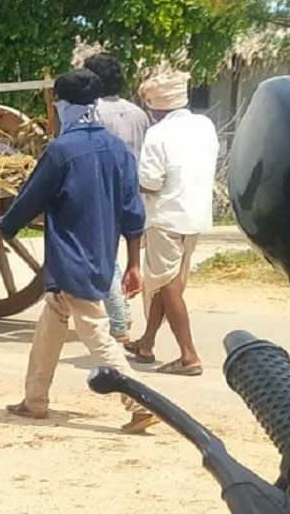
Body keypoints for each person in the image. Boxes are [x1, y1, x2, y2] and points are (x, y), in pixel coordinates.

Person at [0, 68, 158, 434]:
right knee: (52, 321)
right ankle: (34, 400)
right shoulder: (117, 150)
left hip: (73, 254)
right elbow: (134, 211)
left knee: (97, 333)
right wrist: (134, 263)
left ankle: (138, 404)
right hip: (101, 254)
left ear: (64, 105)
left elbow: (29, 200)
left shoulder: (61, 151)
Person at [124, 69, 219, 377]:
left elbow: (151, 182)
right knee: (168, 282)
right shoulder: (205, 125)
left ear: (155, 108)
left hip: (165, 216)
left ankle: (189, 355)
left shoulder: (158, 133)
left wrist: (131, 184)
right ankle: (146, 343)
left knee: (166, 285)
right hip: (195, 215)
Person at [83, 53, 151, 344]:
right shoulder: (138, 113)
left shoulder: (91, 112)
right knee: (123, 255)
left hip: (103, 190)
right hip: (133, 187)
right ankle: (121, 309)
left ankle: (119, 320)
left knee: (105, 256)